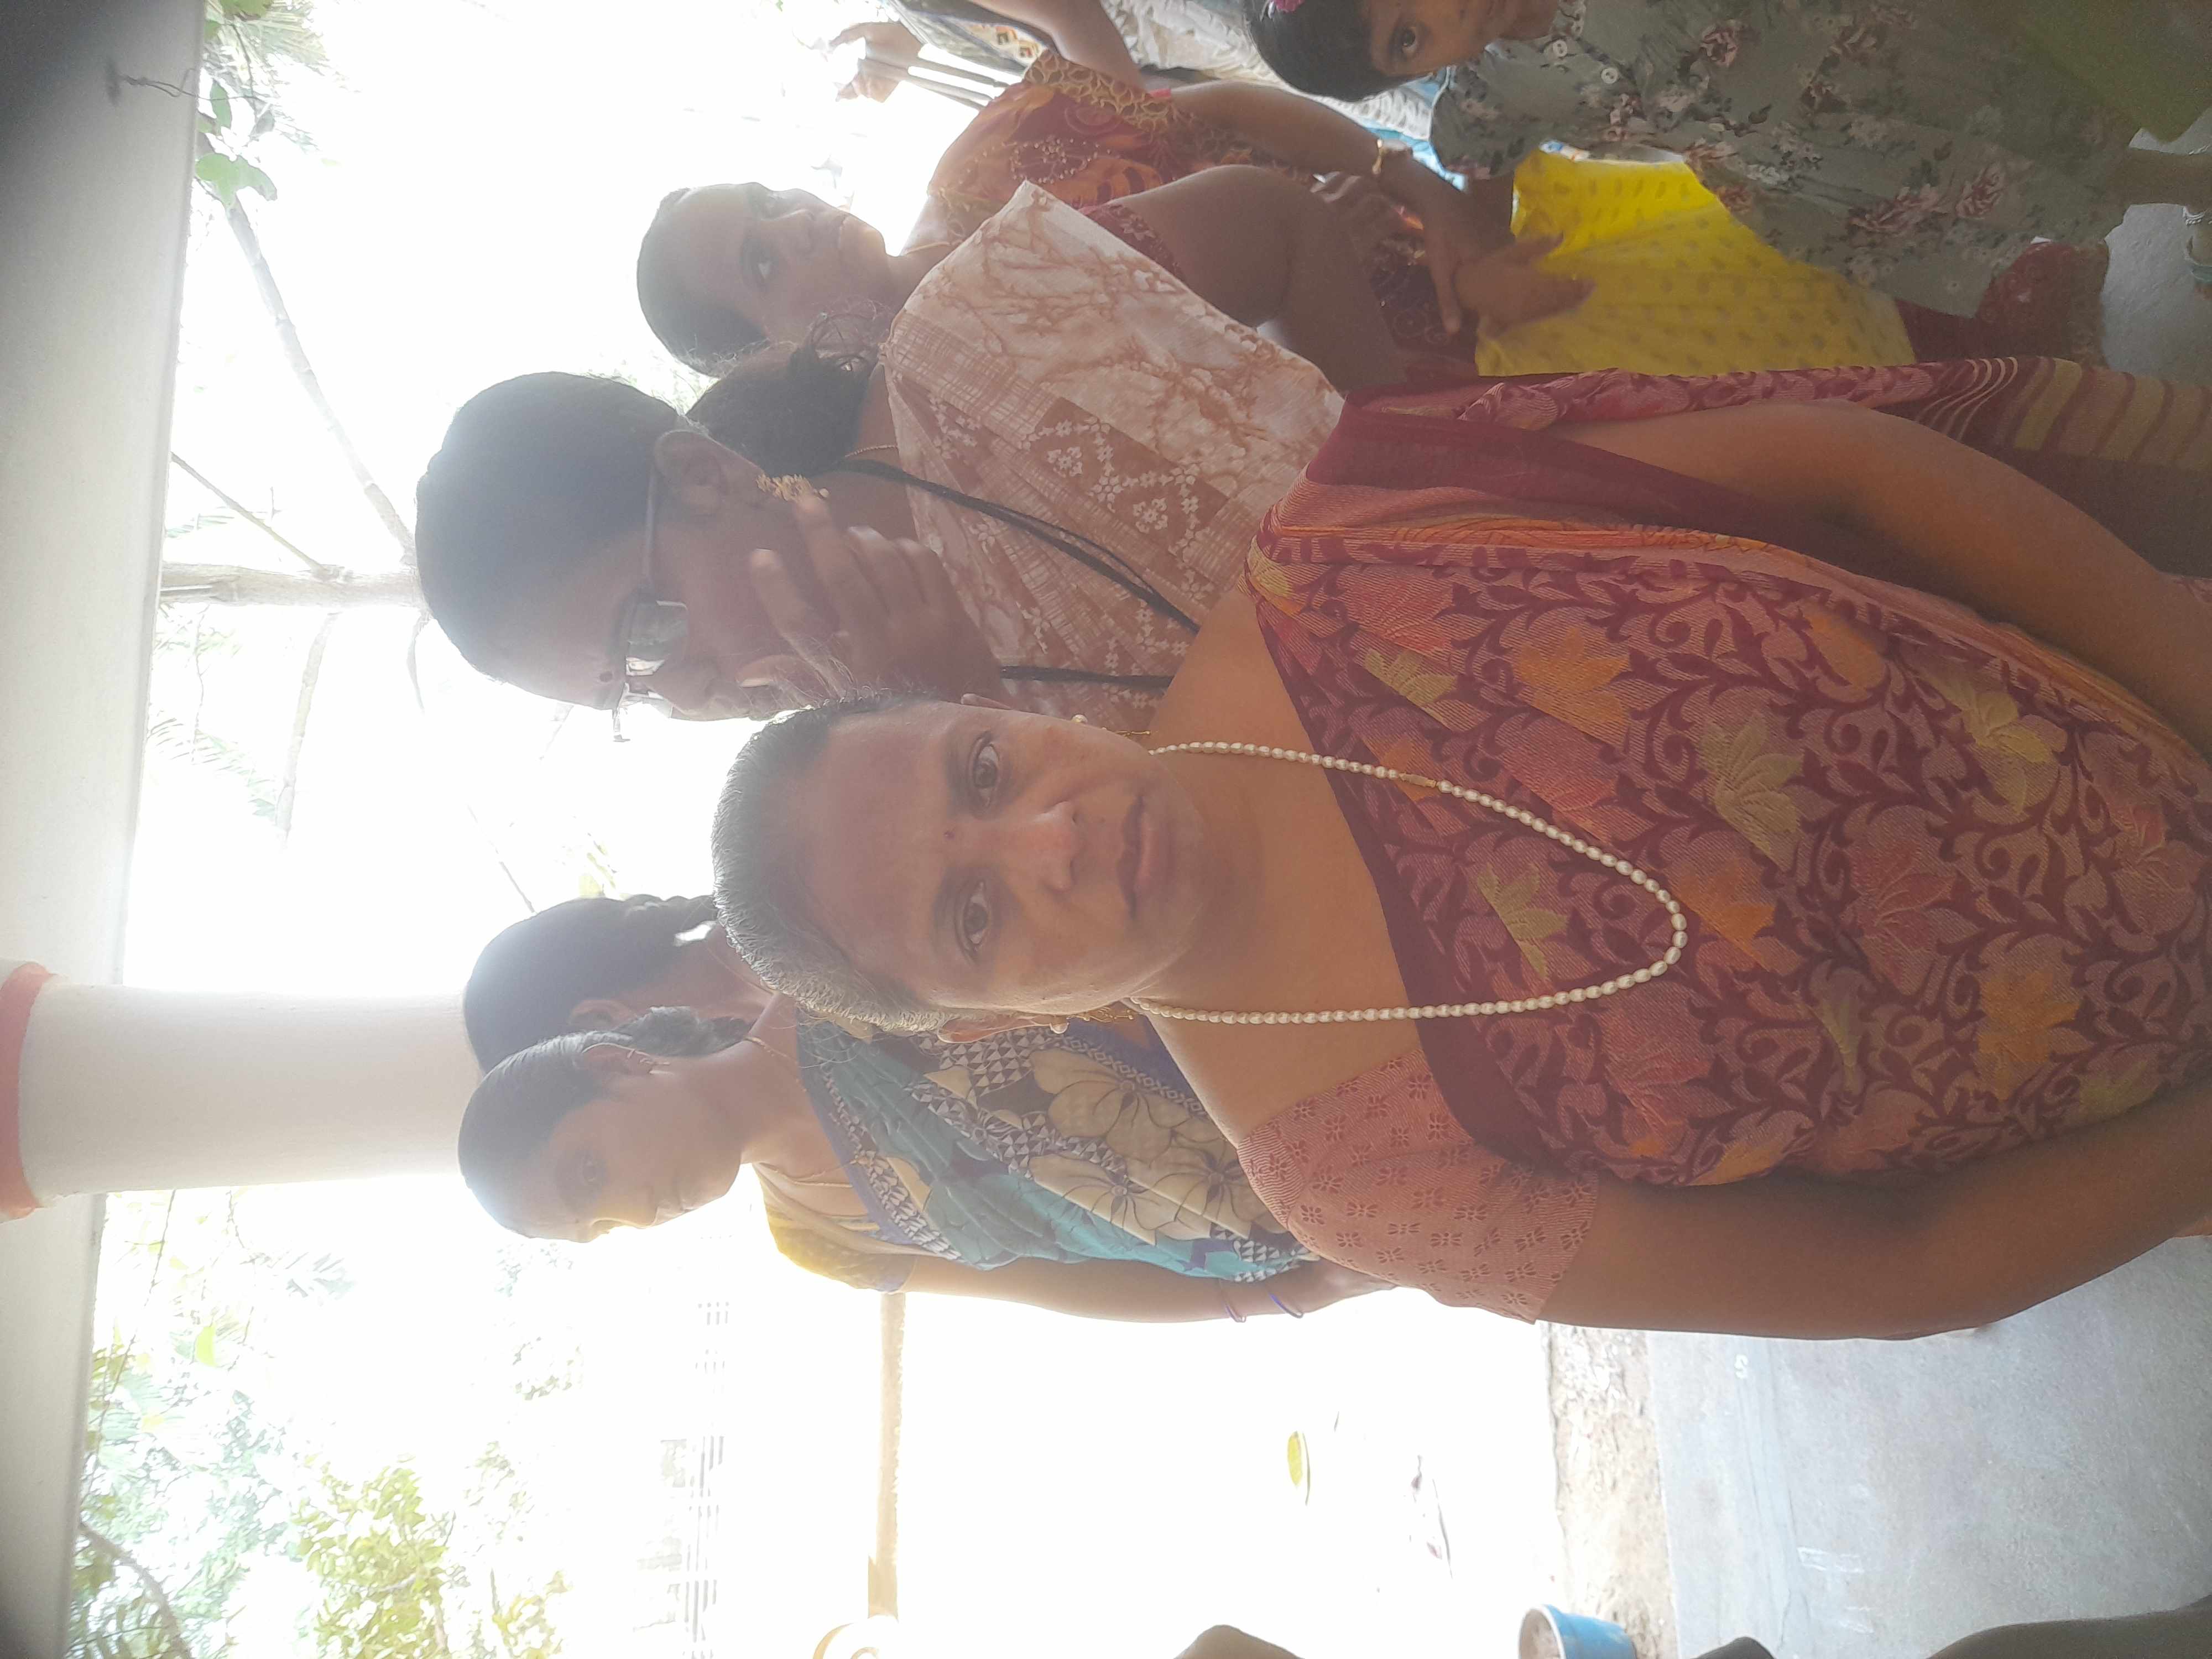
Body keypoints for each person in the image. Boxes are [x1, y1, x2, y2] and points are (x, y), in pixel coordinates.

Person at [709, 361, 2212, 1338]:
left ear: (994, 704)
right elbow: (1898, 1267)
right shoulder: (1361, 1178)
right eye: (972, 917)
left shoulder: (1350, 545)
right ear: (985, 1024)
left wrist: (2184, 665)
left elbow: (1841, 468)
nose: (1052, 838)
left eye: (983, 767)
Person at [424, 178, 1386, 729]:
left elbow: (1274, 220)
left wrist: (1415, 445)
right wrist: (965, 721)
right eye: (628, 698)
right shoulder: (898, 786)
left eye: (644, 636)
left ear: (701, 475)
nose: (688, 696)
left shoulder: (984, 327)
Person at [461, 893, 1360, 1318]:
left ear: (616, 1060)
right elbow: (1059, 1283)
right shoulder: (817, 1239)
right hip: (1333, 1240)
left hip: (1332, 1076)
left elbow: (1126, 968)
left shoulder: (837, 977)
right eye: (600, 1229)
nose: (632, 1213)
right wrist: (1288, 1296)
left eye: (589, 1174)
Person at [1243, 0, 2212, 311]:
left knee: (2062, 104)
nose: (1446, 7)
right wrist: (1485, 259)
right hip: (1836, 165)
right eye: (1408, 38)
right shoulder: (1499, 89)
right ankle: (2194, 188)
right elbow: (1482, 170)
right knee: (2033, 187)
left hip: (1906, 47)